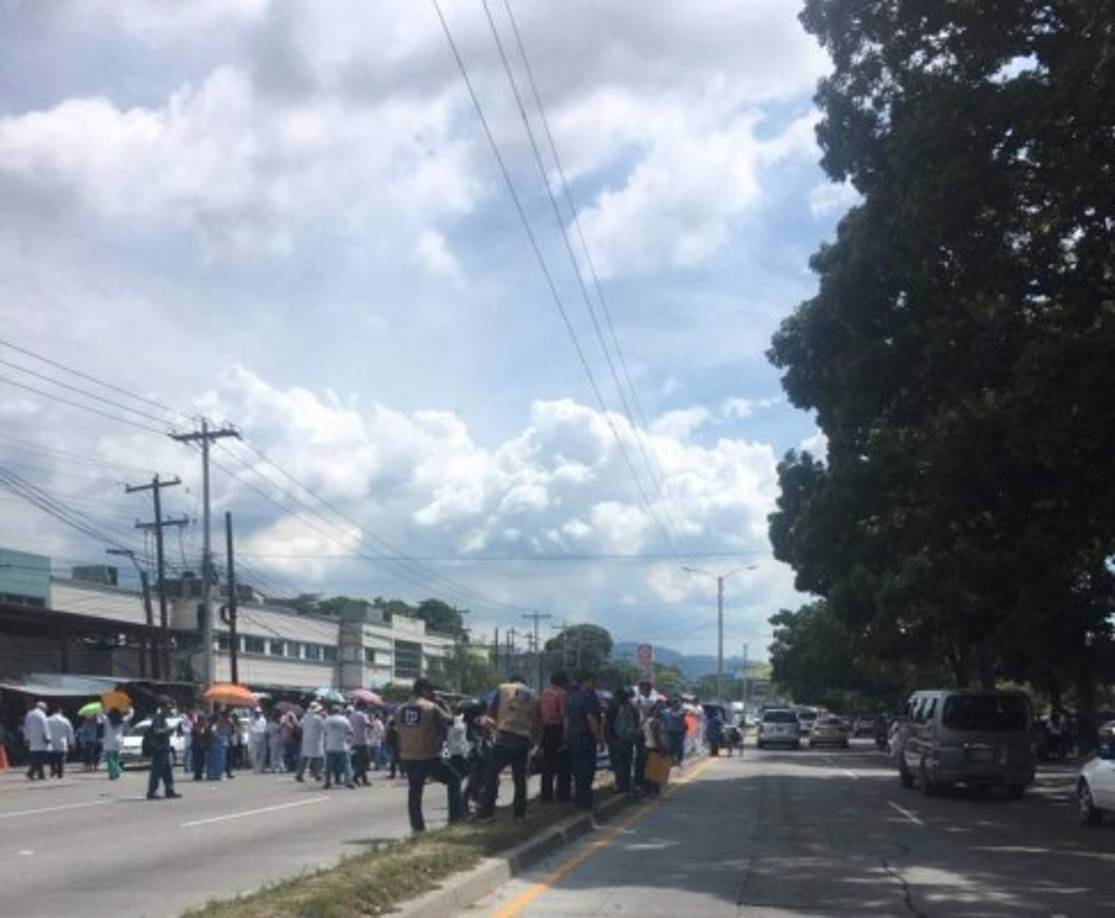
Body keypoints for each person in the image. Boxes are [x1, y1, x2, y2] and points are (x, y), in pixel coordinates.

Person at [397, 678, 462, 833]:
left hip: (408, 756)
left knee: (415, 791)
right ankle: (455, 819)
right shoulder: (431, 707)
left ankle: (417, 827)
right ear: (425, 691)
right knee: (454, 779)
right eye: (431, 690)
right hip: (429, 756)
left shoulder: (401, 709)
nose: (433, 693)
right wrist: (443, 703)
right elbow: (451, 721)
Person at [478, 675, 540, 821]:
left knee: (491, 775)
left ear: (512, 681)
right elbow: (537, 723)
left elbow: (491, 715)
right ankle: (519, 814)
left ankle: (487, 812)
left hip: (504, 740)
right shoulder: (534, 697)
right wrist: (534, 741)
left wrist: (492, 729)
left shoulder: (504, 689)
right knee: (520, 780)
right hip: (523, 742)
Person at [565, 671, 603, 810]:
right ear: (587, 681)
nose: (594, 684)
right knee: (587, 771)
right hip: (586, 738)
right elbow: (590, 718)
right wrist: (598, 737)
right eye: (593, 681)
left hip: (573, 738)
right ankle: (585, 801)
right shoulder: (589, 696)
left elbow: (567, 720)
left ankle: (578, 799)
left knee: (577, 770)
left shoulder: (572, 697)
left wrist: (565, 737)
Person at [538, 670, 571, 804]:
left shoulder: (544, 693)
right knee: (563, 765)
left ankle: (546, 796)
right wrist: (565, 738)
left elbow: (539, 714)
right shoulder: (562, 694)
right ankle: (563, 795)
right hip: (557, 730)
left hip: (545, 730)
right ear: (562, 682)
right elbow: (564, 716)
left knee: (547, 765)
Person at [606, 686, 639, 793]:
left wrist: (608, 737)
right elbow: (636, 723)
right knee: (627, 763)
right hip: (628, 739)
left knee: (617, 763)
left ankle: (620, 786)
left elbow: (608, 722)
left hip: (615, 739)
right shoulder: (633, 707)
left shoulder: (612, 705)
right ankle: (626, 785)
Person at [147, 697, 180, 800]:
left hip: (164, 747)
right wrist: (168, 730)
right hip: (159, 748)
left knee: (167, 771)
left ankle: (169, 790)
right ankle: (152, 792)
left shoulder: (164, 718)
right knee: (156, 771)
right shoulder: (158, 718)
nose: (169, 710)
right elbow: (156, 731)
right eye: (167, 708)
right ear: (162, 708)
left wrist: (170, 730)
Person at [632, 680, 661, 790]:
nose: (648, 691)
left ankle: (644, 782)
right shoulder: (639, 700)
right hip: (644, 732)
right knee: (645, 757)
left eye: (649, 689)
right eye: (646, 689)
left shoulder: (649, 700)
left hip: (645, 731)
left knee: (644, 757)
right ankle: (645, 782)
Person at [642, 701, 671, 797]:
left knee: (650, 772)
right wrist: (662, 749)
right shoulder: (655, 722)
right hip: (655, 748)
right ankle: (654, 792)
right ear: (653, 711)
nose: (660, 712)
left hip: (647, 747)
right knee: (656, 772)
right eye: (658, 710)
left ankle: (651, 792)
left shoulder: (647, 721)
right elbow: (656, 738)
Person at [323, 705, 355, 789]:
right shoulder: (345, 720)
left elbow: (325, 731)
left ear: (332, 711)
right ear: (340, 711)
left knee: (328, 767)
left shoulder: (327, 720)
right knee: (346, 765)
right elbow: (351, 732)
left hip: (330, 746)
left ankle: (327, 783)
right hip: (342, 746)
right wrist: (348, 740)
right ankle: (349, 782)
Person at [296, 703, 325, 782]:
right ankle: (317, 774)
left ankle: (299, 774)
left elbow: (300, 726)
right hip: (316, 740)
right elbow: (324, 727)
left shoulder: (305, 717)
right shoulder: (319, 718)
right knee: (318, 758)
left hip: (306, 739)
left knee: (305, 757)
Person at [24, 701, 52, 780]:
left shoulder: (29, 714)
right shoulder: (42, 715)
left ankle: (41, 774)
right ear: (43, 708)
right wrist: (47, 737)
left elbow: (26, 727)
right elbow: (45, 727)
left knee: (36, 757)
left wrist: (26, 738)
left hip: (32, 739)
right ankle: (31, 772)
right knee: (41, 758)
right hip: (41, 739)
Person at [101, 708, 131, 780]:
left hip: (109, 741)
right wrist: (130, 709)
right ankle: (116, 773)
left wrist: (102, 709)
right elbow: (130, 716)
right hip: (118, 740)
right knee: (116, 758)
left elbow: (101, 715)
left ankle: (113, 772)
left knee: (110, 759)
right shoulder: (122, 720)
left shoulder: (107, 720)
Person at [46, 707, 75, 778]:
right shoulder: (65, 720)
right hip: (62, 741)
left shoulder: (47, 720)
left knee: (52, 757)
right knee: (61, 758)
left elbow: (45, 730)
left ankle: (53, 769)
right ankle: (60, 773)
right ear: (60, 712)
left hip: (51, 741)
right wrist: (72, 742)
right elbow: (70, 731)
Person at [349, 702, 371, 786]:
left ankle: (365, 780)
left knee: (359, 761)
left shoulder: (351, 715)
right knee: (365, 762)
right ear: (362, 707)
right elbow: (369, 725)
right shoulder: (362, 715)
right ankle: (355, 777)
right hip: (362, 741)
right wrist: (370, 720)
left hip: (354, 740)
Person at [250, 708, 269, 773]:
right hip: (255, 739)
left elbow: (265, 728)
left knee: (263, 754)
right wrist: (258, 732)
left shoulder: (263, 719)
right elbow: (251, 729)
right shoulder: (251, 719)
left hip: (262, 738)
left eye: (258, 712)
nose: (257, 713)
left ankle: (261, 768)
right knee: (254, 754)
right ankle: (255, 768)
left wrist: (264, 733)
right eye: (256, 712)